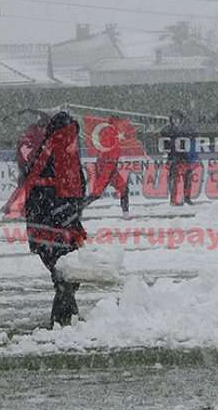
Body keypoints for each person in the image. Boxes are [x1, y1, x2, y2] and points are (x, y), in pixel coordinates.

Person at [19, 111, 87, 328]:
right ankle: (64, 320)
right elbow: (60, 192)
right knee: (65, 274)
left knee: (65, 274)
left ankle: (65, 318)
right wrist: (68, 216)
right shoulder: (57, 152)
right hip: (53, 222)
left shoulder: (55, 150)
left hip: (54, 221)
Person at [87, 116, 131, 218]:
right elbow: (110, 150)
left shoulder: (108, 131)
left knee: (123, 189)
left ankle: (126, 214)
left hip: (108, 165)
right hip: (108, 166)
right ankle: (77, 210)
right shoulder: (112, 132)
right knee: (97, 193)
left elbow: (104, 149)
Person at [161, 110, 196, 205]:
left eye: (178, 119)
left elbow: (193, 137)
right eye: (174, 119)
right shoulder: (168, 130)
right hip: (174, 157)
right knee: (174, 179)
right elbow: (164, 139)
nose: (176, 121)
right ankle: (173, 199)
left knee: (187, 178)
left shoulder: (185, 130)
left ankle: (187, 198)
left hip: (183, 157)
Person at [15, 111, 51, 185]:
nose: (45, 129)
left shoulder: (49, 137)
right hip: (31, 175)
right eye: (42, 125)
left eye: (46, 126)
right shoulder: (28, 137)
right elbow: (25, 155)